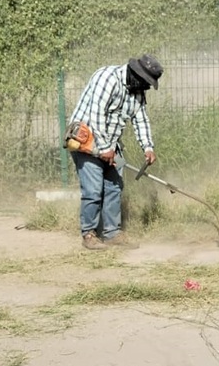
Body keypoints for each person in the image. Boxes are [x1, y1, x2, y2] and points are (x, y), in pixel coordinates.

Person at [65, 53, 163, 250]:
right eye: (145, 83)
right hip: (86, 141)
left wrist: (148, 147)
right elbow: (96, 114)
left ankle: (112, 233)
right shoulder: (107, 78)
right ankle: (89, 234)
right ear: (136, 75)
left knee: (114, 187)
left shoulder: (137, 90)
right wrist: (104, 148)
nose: (146, 88)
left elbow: (140, 119)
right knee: (93, 190)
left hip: (110, 144)